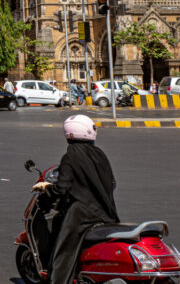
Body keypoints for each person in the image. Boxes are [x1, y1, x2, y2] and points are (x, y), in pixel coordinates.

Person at [33, 114, 118, 284]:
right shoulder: (100, 154)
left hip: (83, 214)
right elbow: (112, 183)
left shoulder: (70, 156)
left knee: (63, 251)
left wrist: (47, 189)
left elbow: (61, 188)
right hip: (107, 211)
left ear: (69, 135)